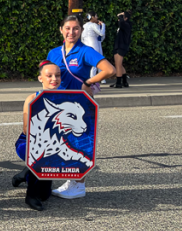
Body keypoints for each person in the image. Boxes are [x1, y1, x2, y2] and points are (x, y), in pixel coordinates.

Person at [47, 15, 115, 199]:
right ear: (61, 29)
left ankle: (79, 185)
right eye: (68, 28)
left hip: (79, 105)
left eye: (76, 28)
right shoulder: (53, 53)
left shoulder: (86, 51)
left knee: (79, 144)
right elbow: (48, 75)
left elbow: (110, 70)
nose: (71, 32)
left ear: (81, 31)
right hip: (59, 105)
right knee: (65, 143)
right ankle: (72, 180)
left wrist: (89, 81)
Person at [15, 61, 62, 211]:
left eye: (57, 75)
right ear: (40, 78)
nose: (54, 79)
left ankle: (25, 173)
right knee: (41, 154)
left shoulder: (67, 99)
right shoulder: (31, 99)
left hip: (54, 145)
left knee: (44, 195)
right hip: (29, 143)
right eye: (49, 76)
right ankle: (30, 196)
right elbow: (26, 130)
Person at [81, 11, 106, 82]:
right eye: (96, 16)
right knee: (97, 61)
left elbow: (82, 37)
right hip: (94, 44)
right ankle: (95, 79)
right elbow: (101, 33)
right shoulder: (93, 25)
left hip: (86, 44)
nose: (97, 17)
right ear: (92, 17)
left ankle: (92, 78)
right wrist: (103, 25)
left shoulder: (84, 26)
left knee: (89, 62)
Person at [110, 11, 132, 88]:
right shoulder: (123, 25)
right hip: (119, 46)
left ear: (126, 18)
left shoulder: (126, 25)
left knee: (118, 65)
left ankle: (118, 82)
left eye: (122, 17)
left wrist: (120, 15)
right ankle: (125, 82)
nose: (119, 19)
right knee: (119, 64)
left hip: (121, 46)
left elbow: (121, 22)